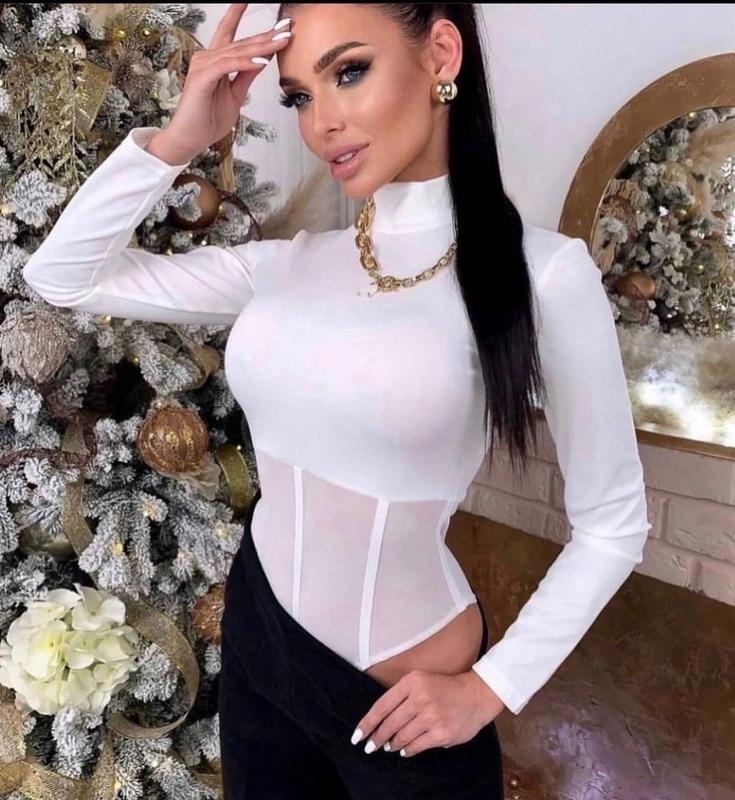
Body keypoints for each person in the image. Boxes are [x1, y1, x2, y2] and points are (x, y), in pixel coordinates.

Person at [22, 3, 652, 799]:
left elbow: (612, 523)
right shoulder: (289, 264)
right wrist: (180, 138)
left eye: (348, 72)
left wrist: (493, 687)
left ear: (441, 54)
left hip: (400, 703)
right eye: (298, 96)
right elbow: (61, 276)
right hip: (260, 646)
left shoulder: (544, 275)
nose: (320, 123)